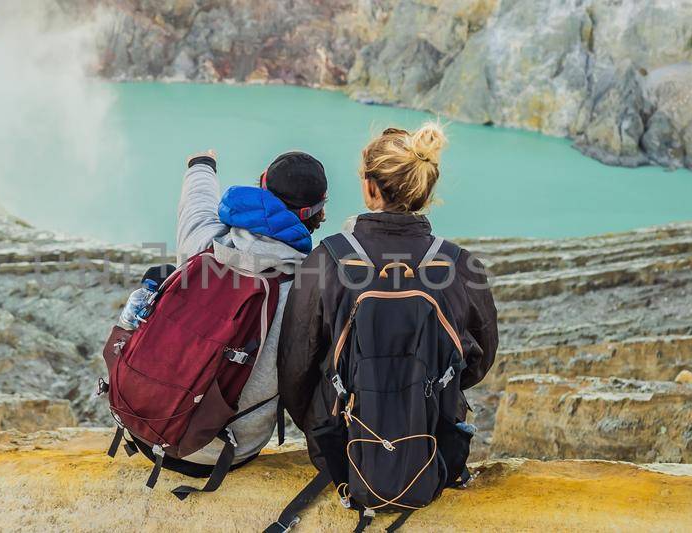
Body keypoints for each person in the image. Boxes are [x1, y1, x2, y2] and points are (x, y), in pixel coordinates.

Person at [273, 124, 497, 520]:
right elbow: (478, 361)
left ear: (372, 189)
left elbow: (295, 366)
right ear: (425, 190)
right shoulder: (461, 264)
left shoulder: (327, 259)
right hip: (433, 445)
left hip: (342, 450)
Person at [170, 148, 329, 469]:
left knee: (160, 277)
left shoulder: (206, 245)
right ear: (316, 212)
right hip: (227, 450)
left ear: (261, 187)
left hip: (151, 426)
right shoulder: (308, 286)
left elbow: (196, 206)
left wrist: (202, 165)